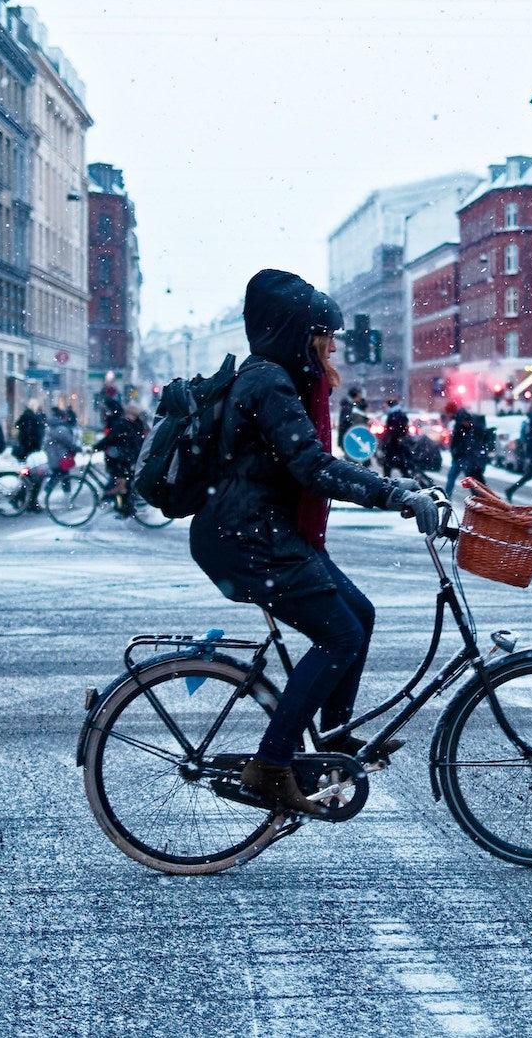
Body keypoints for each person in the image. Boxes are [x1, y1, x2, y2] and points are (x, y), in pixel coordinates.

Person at [189, 269, 437, 816]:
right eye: (322, 334)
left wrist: (397, 489)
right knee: (340, 637)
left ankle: (333, 739)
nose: (330, 346)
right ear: (295, 332)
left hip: (260, 531)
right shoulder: (269, 383)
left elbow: (307, 462)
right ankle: (273, 765)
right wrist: (393, 494)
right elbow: (311, 466)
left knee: (359, 615)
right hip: (249, 538)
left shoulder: (277, 378)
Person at [93, 399, 146, 514]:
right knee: (123, 483)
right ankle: (122, 506)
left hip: (122, 459)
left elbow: (111, 438)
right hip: (128, 458)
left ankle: (122, 506)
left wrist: (95, 448)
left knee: (120, 484)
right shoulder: (136, 423)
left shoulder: (123, 423)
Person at [445, 407, 474, 497]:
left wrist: (456, 451)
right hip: (461, 456)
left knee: (454, 477)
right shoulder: (461, 428)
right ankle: (476, 497)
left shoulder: (459, 427)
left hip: (462, 456)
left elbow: (456, 442)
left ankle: (447, 496)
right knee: (468, 480)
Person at [381, 398, 413, 478]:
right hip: (398, 445)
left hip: (394, 445)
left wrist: (388, 442)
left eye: (386, 406)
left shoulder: (394, 415)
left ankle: (387, 483)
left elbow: (393, 431)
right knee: (402, 466)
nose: (385, 408)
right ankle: (408, 480)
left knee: (389, 466)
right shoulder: (399, 414)